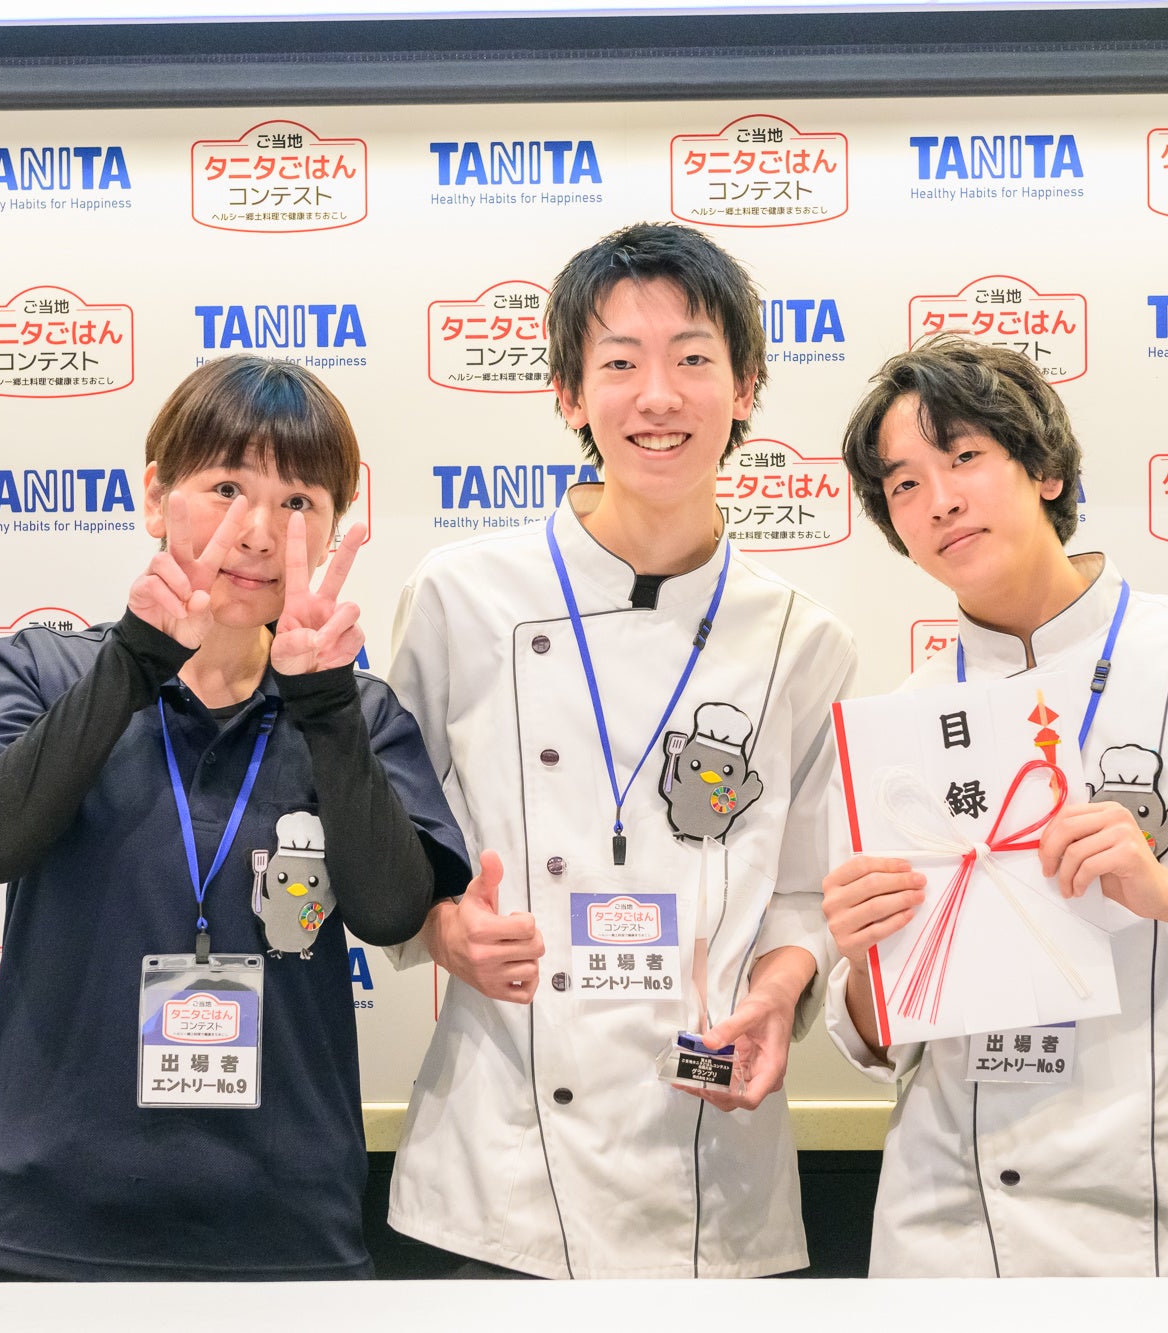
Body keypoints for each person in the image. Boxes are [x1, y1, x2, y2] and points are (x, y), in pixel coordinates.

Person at [824, 336, 1168, 1277]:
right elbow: (882, 1030)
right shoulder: (900, 727)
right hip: (962, 1224)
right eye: (905, 485)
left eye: (964, 457)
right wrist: (861, 960)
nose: (940, 501)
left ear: (1046, 469)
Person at [0, 355, 471, 1280]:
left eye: (298, 502)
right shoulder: (43, 669)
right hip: (47, 1224)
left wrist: (324, 706)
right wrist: (134, 660)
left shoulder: (355, 713)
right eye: (227, 488)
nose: (259, 530)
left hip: (284, 1229)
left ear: (333, 529)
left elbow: (391, 910)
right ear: (154, 496)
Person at [383, 222, 857, 1278]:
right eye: (619, 363)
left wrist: (781, 990)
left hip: (711, 1158)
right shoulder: (461, 596)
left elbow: (806, 891)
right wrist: (441, 925)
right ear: (568, 393)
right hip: (502, 1170)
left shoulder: (800, 638)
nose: (657, 396)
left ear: (744, 388)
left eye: (692, 359)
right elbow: (387, 840)